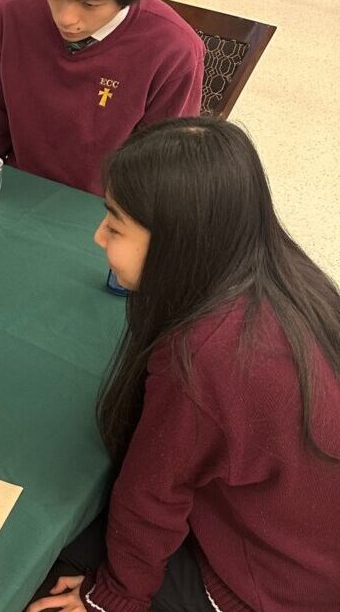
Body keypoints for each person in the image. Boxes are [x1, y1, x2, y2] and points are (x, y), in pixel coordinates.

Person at [27, 118, 340, 612]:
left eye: (115, 224)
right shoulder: (285, 270)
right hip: (313, 562)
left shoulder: (204, 358)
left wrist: (111, 597)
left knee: (36, 537)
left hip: (262, 588)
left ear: (180, 241)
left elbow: (151, 498)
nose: (98, 237)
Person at [0, 0, 204, 196]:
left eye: (89, 4)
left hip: (104, 210)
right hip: (15, 187)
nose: (65, 18)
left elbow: (160, 169)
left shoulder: (174, 49)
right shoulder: (12, 10)